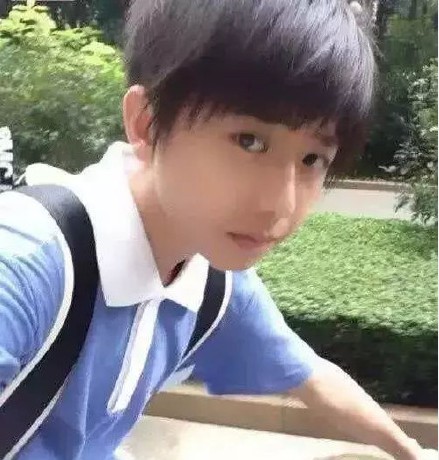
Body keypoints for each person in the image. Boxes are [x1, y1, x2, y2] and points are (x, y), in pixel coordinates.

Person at [0, 0, 434, 459]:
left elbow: (312, 376)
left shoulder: (209, 282)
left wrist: (412, 452)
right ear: (147, 123)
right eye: (250, 141)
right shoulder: (24, 264)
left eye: (312, 159)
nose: (280, 206)